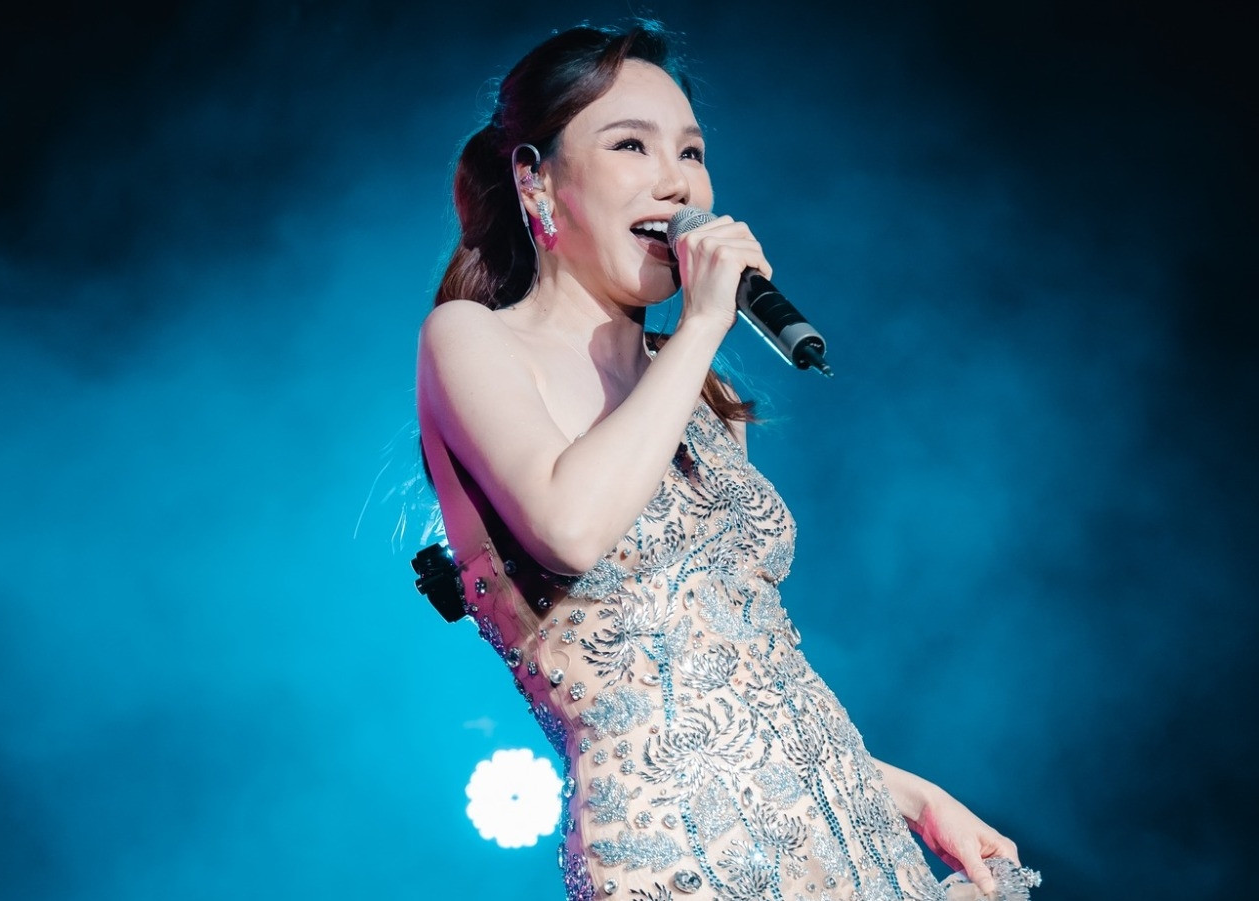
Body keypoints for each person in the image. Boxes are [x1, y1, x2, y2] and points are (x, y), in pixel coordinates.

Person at [415, 19, 1040, 901]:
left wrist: (911, 796)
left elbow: (742, 680)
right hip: (680, 857)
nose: (678, 182)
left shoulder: (702, 400)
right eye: (631, 144)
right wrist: (706, 322)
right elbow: (570, 527)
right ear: (535, 176)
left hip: (844, 838)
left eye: (692, 153)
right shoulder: (471, 340)